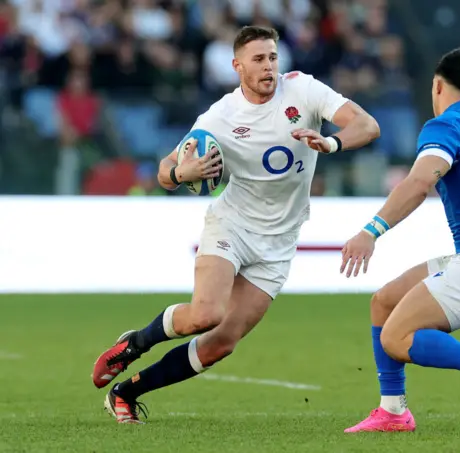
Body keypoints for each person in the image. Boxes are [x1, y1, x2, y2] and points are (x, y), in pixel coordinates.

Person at [91, 25, 380, 424]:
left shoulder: (304, 89)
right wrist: (182, 173)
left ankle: (127, 391)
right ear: (237, 66)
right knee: (205, 315)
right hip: (233, 225)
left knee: (220, 344)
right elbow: (163, 171)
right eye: (259, 60)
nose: (268, 68)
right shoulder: (220, 117)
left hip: (279, 241)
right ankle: (134, 343)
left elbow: (367, 125)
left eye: (273, 58)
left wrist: (330, 142)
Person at [340, 48, 460, 433]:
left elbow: (419, 182)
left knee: (396, 337)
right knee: (384, 302)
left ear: (437, 85)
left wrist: (370, 231)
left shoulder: (443, 127)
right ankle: (393, 410)